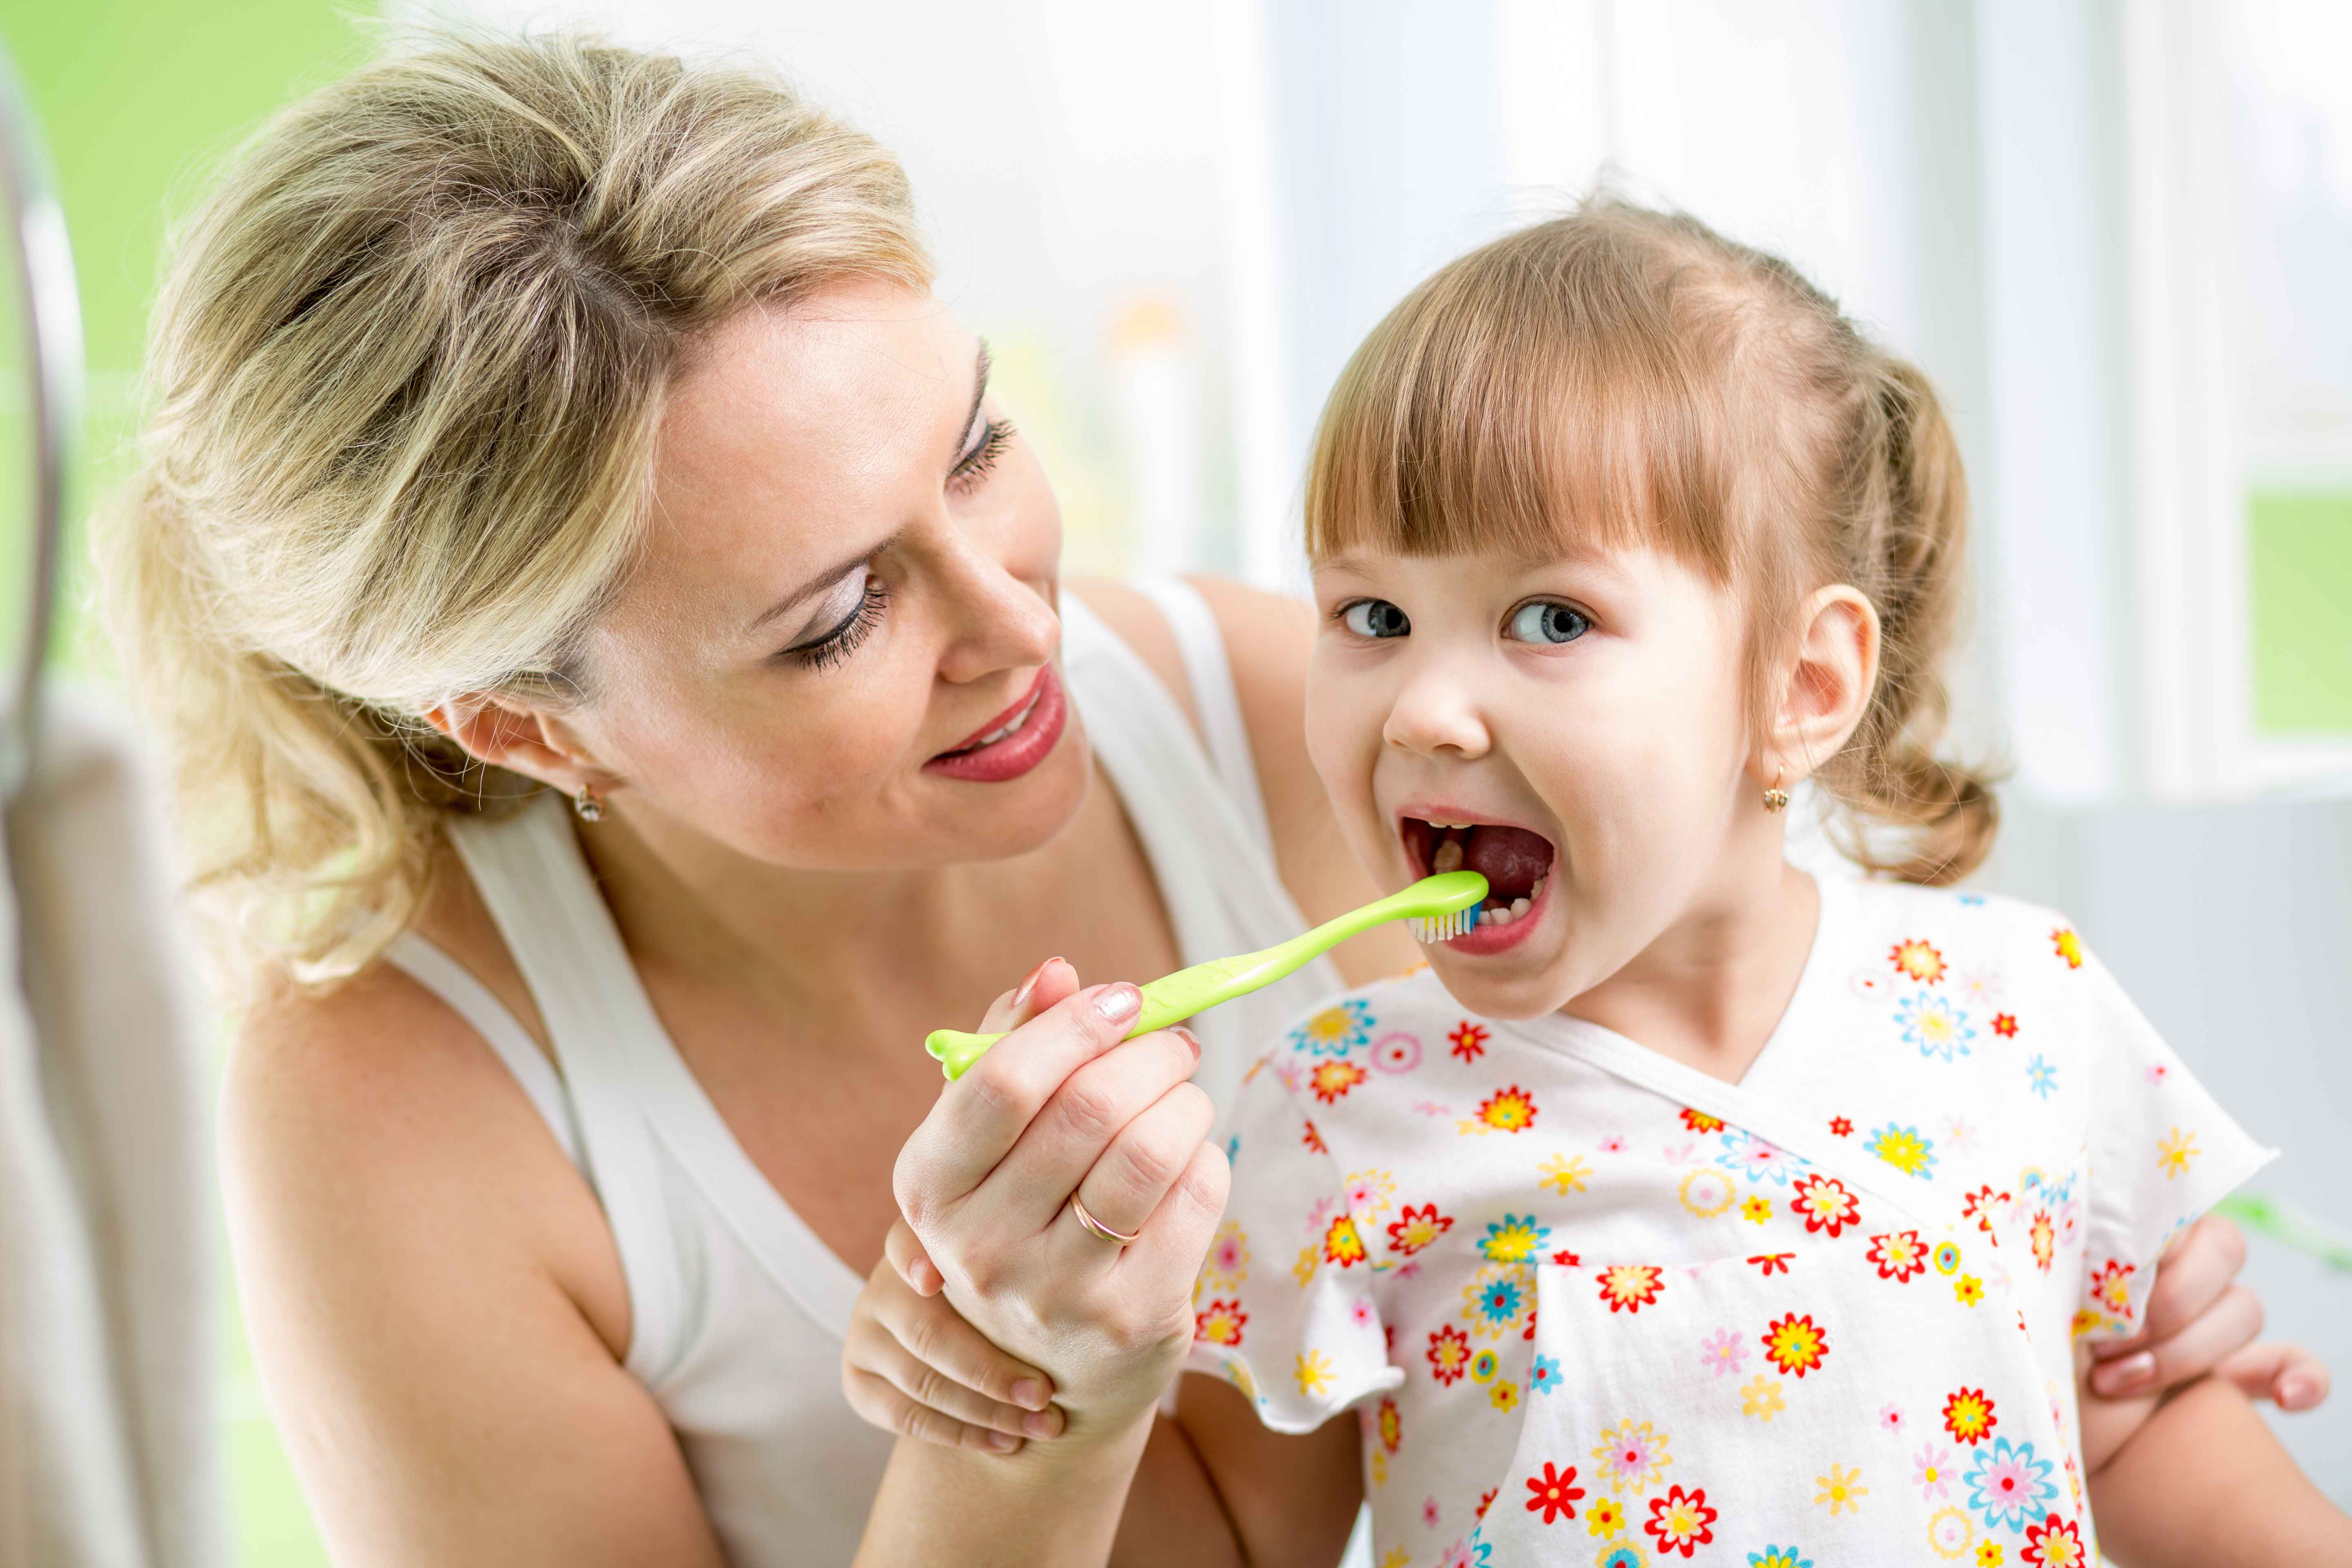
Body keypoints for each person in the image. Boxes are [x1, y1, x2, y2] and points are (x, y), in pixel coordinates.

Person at [100, 30, 2298, 1566]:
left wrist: (2043, 1279)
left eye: (976, 446)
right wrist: (1037, 1400)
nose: (1021, 620)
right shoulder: (404, 1103)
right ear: (537, 730)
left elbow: (1770, 1049)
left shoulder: (1313, 722)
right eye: (840, 613)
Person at [854, 203, 2350, 1564]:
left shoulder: (2023, 1009)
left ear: (1801, 686)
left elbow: (2141, 1434)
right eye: (1371, 611)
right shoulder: (1336, 1109)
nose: (1427, 708)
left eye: (1550, 617)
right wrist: (1048, 1366)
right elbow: (1247, 1537)